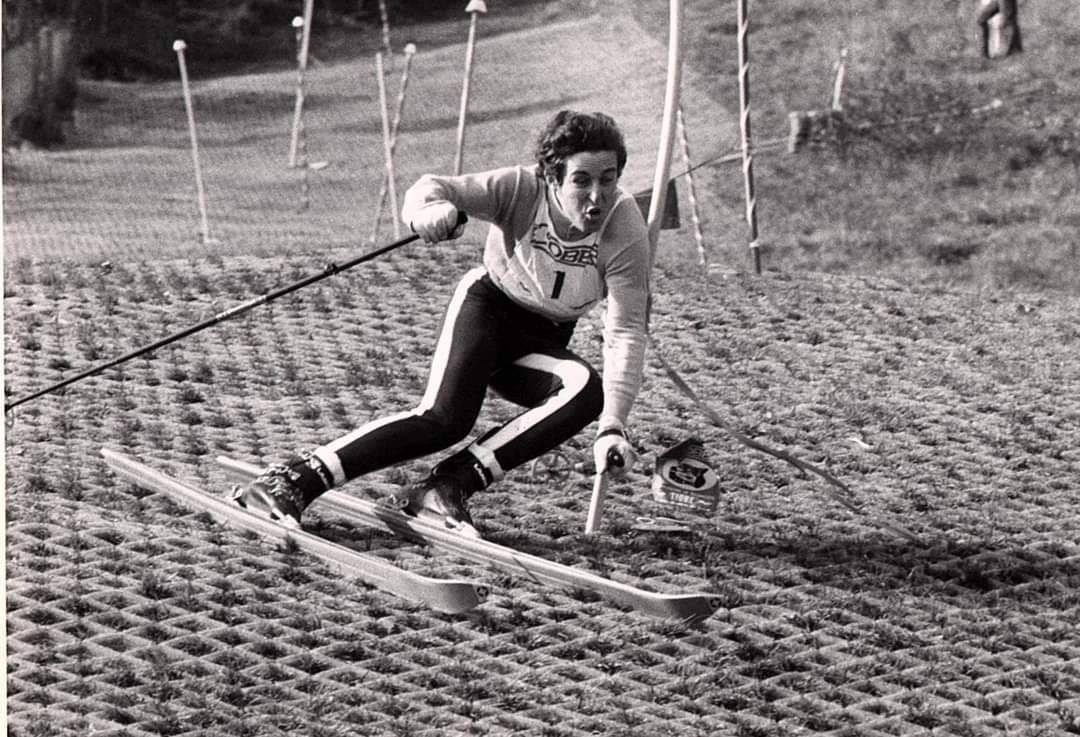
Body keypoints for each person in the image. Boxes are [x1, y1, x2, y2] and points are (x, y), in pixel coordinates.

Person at [234, 110, 650, 538]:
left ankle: (444, 489)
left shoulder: (623, 225)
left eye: (609, 178)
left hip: (542, 339)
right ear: (552, 176)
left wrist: (612, 428)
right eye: (582, 180)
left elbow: (625, 332)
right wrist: (427, 212)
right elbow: (430, 188)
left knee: (585, 391)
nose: (596, 196)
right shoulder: (522, 188)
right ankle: (291, 479)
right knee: (444, 420)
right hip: (489, 311)